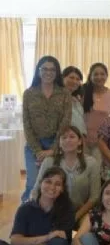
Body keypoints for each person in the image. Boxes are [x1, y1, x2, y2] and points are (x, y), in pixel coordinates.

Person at [22, 56, 72, 202]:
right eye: (44, 69)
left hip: (57, 144)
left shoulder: (64, 94)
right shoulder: (29, 93)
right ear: (38, 71)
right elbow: (27, 123)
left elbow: (65, 122)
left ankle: (52, 220)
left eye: (52, 69)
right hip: (33, 146)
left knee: (54, 185)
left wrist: (53, 149)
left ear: (57, 73)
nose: (48, 72)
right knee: (33, 184)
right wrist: (38, 151)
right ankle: (26, 219)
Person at [32, 126, 101, 223]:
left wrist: (75, 217)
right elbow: (36, 190)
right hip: (51, 210)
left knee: (85, 233)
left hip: (81, 212)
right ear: (59, 143)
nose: (68, 140)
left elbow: (95, 197)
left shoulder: (91, 163)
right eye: (64, 137)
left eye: (72, 137)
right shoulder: (49, 162)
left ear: (80, 141)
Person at [82, 63, 110, 165]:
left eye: (102, 74)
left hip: (102, 141)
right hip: (82, 139)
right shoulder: (82, 91)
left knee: (98, 170)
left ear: (107, 76)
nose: (99, 77)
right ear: (90, 76)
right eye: (95, 74)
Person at [62, 66, 86, 137]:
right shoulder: (57, 98)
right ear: (62, 78)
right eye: (71, 77)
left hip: (78, 141)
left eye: (78, 79)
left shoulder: (76, 100)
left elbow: (80, 123)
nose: (74, 81)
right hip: (64, 141)